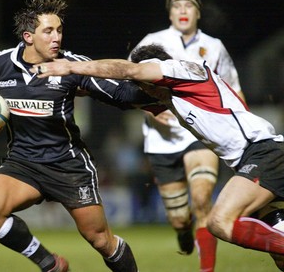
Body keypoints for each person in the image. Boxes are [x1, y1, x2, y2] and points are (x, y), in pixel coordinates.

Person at [32, 43, 284, 271]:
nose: (144, 91)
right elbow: (117, 94)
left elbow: (129, 72)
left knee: (219, 221)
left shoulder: (180, 70)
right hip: (256, 159)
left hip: (264, 152)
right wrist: (72, 85)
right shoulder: (174, 96)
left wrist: (69, 66)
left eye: (144, 82)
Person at [0, 0, 156, 272]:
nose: (57, 38)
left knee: (100, 240)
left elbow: (119, 94)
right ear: (28, 36)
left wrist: (156, 87)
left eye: (59, 30)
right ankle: (48, 263)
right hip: (22, 163)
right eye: (48, 31)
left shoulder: (72, 65)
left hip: (68, 165)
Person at [128, 0, 244, 270]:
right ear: (169, 13)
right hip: (161, 141)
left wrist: (244, 128)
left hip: (201, 135)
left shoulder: (214, 46)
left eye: (188, 5)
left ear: (198, 12)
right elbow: (126, 83)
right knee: (179, 217)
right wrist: (148, 110)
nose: (182, 10)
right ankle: (183, 230)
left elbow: (233, 89)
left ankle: (206, 268)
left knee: (202, 199)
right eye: (176, 5)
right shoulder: (152, 42)